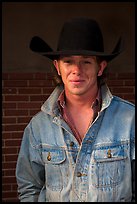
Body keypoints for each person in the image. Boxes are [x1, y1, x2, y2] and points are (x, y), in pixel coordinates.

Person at [16, 17, 135, 202]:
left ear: (100, 67)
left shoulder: (130, 120)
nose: (76, 70)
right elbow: (29, 188)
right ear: (57, 67)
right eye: (69, 61)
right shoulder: (38, 127)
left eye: (86, 62)